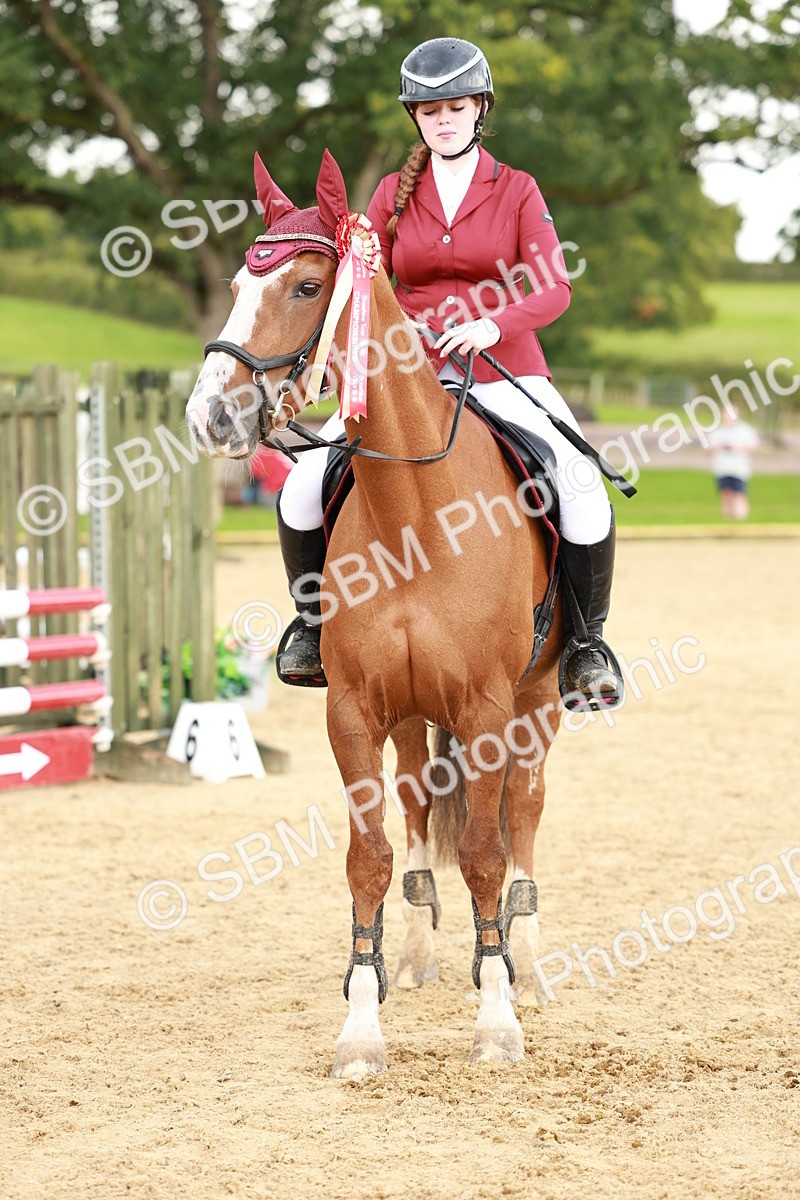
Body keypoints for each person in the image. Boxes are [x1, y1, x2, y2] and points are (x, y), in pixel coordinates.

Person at [276, 36, 623, 708]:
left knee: (581, 486)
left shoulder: (516, 189)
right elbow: (356, 277)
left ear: (479, 109)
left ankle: (586, 645)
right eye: (430, 111)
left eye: (456, 107)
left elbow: (554, 286)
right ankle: (312, 627)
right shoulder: (390, 194)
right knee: (298, 488)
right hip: (407, 377)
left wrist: (495, 322)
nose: (444, 120)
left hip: (505, 368)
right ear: (417, 119)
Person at [706, 407, 760, 519]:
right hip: (722, 468)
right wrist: (718, 447)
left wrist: (737, 448)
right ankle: (727, 517)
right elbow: (707, 450)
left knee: (739, 493)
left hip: (739, 468)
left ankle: (741, 517)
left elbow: (754, 447)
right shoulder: (718, 431)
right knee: (725, 493)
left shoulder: (745, 430)